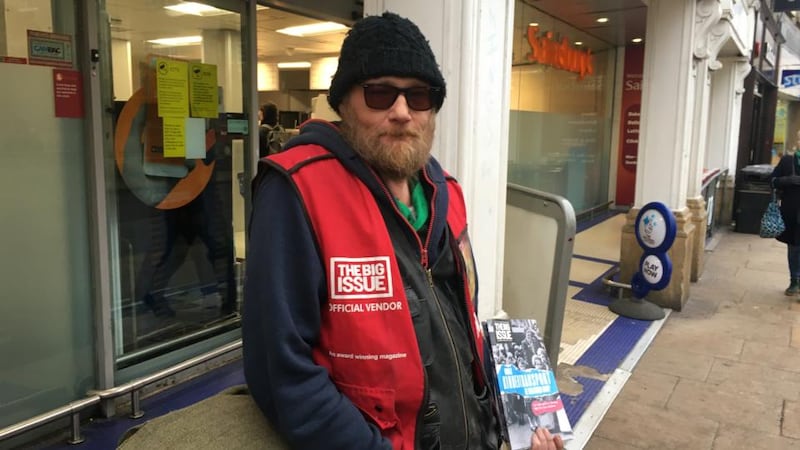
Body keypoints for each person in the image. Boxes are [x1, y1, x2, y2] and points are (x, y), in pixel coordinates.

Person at [242, 11, 564, 450]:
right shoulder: (296, 191)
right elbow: (282, 372)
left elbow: (461, 327)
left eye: (418, 96)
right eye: (379, 94)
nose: (401, 111)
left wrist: (520, 426)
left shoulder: (446, 193)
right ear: (344, 103)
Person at [771, 150, 800, 297]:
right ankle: (795, 281)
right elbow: (772, 181)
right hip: (792, 212)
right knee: (794, 247)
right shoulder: (788, 160)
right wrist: (787, 180)